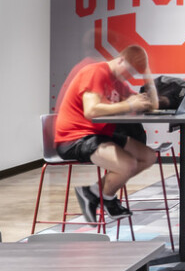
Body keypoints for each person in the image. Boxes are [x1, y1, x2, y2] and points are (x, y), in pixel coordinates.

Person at [53, 45, 161, 222]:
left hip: (100, 135)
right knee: (128, 165)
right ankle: (106, 198)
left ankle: (93, 192)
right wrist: (130, 105)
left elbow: (152, 105)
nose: (129, 76)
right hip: (75, 138)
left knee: (148, 156)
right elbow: (91, 111)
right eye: (130, 70)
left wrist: (147, 74)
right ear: (120, 60)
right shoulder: (96, 72)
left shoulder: (118, 81)